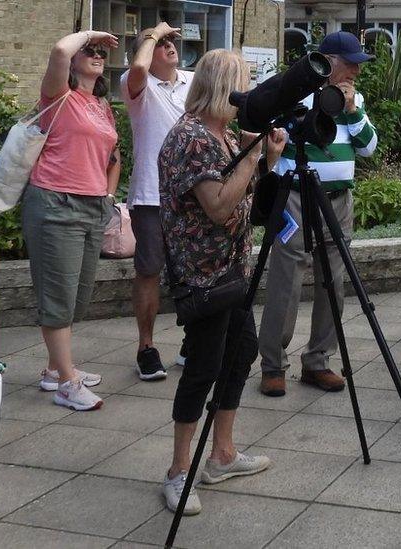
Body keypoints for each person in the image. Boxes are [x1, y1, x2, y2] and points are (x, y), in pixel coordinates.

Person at [158, 49, 286, 515]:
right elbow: (216, 205)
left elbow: (245, 195)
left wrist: (264, 157)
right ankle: (178, 472)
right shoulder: (194, 138)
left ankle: (222, 454)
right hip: (202, 273)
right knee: (203, 367)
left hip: (229, 270)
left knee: (240, 352)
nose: (248, 95)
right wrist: (253, 160)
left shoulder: (224, 135)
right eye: (243, 84)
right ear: (222, 86)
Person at [257, 31, 377, 397]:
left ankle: (318, 361)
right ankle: (273, 365)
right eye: (351, 62)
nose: (356, 69)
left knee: (334, 281)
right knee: (286, 280)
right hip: (295, 195)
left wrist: (353, 111)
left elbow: (369, 148)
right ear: (329, 62)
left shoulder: (352, 100)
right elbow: (272, 136)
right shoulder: (296, 93)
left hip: (338, 200)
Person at [24, 30, 121, 411]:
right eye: (90, 51)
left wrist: (109, 194)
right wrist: (89, 33)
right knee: (58, 298)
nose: (97, 54)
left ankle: (54, 369)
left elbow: (113, 157)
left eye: (100, 52)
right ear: (75, 60)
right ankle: (67, 383)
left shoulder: (101, 106)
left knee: (77, 297)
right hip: (55, 203)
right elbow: (58, 49)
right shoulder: (57, 97)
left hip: (92, 205)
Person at [120, 22, 192, 381]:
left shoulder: (193, 82)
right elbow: (137, 67)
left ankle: (192, 341)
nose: (169, 46)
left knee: (195, 269)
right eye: (161, 43)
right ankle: (146, 347)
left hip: (192, 193)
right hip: (151, 195)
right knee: (149, 271)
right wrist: (152, 33)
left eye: (171, 41)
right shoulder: (138, 85)